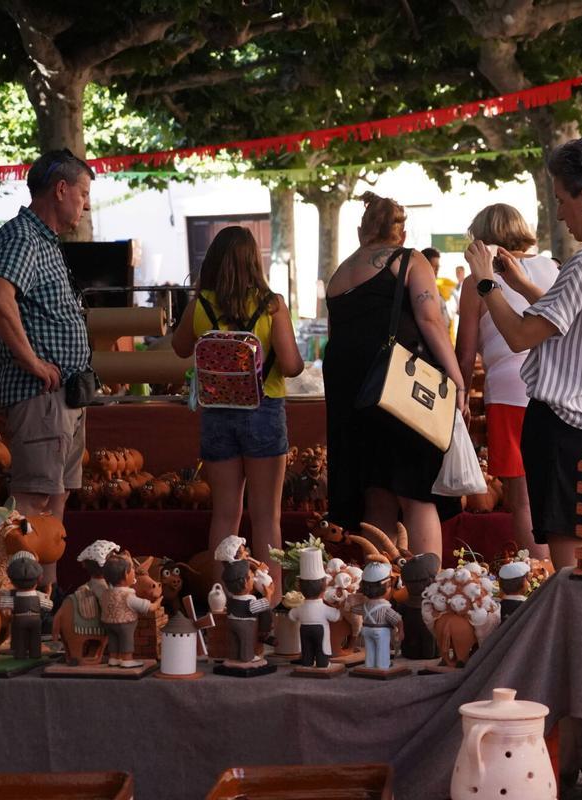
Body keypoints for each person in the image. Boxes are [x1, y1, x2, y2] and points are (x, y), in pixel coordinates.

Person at [463, 137, 582, 568]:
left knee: (570, 573)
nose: (560, 213)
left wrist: (486, 281)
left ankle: (575, 637)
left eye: (562, 200)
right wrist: (520, 281)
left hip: (568, 430)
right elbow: (568, 312)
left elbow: (521, 335)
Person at [322, 192, 468, 556]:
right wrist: (458, 382)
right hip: (398, 389)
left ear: (362, 230)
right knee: (417, 494)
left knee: (376, 495)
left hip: (350, 390)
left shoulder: (340, 273)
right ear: (401, 234)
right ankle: (426, 591)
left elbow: (335, 333)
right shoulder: (409, 260)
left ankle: (378, 591)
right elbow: (431, 321)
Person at [0, 149, 93, 590]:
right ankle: (8, 598)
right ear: (60, 189)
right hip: (39, 394)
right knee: (31, 498)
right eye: (83, 194)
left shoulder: (42, 240)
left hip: (63, 394)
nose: (85, 204)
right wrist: (30, 360)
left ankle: (44, 594)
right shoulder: (22, 238)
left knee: (55, 495)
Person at [172, 226, 304, 589]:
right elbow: (292, 366)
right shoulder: (271, 304)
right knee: (266, 518)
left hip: (217, 415)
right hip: (264, 411)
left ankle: (222, 598)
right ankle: (271, 600)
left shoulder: (200, 305)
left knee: (225, 516)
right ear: (253, 262)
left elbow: (180, 348)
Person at [455, 203, 557, 559]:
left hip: (509, 392)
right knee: (558, 488)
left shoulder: (476, 283)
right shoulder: (554, 268)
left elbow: (465, 353)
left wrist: (461, 396)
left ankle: (538, 578)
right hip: (558, 390)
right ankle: (560, 574)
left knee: (523, 498)